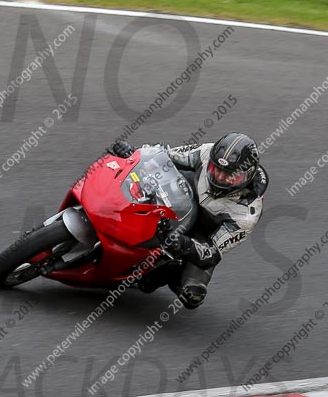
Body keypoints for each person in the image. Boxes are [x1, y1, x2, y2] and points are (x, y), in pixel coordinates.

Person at [108, 132, 268, 309]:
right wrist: (134, 153)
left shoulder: (247, 213)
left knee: (192, 295)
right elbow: (166, 154)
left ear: (247, 176)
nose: (220, 178)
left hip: (200, 235)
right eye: (216, 170)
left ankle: (170, 270)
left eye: (230, 176)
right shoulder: (207, 152)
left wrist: (184, 244)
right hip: (178, 197)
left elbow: (212, 253)